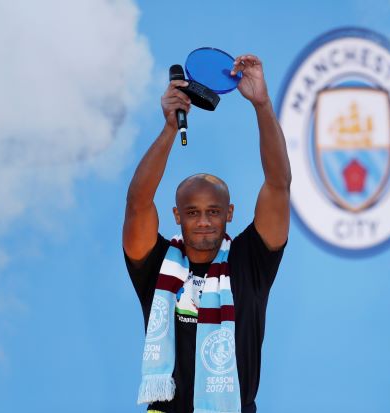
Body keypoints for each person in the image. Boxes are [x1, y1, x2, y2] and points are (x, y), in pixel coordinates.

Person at [123, 54, 291, 413]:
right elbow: (138, 203)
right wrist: (170, 128)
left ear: (229, 213)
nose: (203, 221)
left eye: (213, 212)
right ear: (177, 216)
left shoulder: (250, 261)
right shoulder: (157, 265)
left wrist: (261, 105)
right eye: (193, 213)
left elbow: (278, 185)